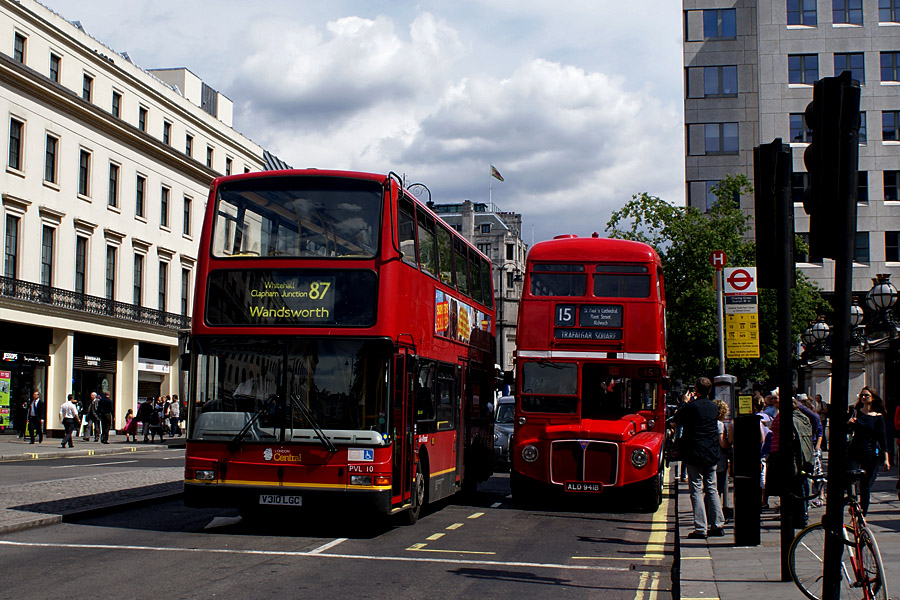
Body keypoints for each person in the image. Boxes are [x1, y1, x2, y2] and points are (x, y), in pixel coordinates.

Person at [673, 377, 725, 539]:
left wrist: (685, 402)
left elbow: (678, 418)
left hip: (695, 453)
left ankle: (701, 528)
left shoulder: (691, 406)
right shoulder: (713, 407)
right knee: (711, 488)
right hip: (711, 453)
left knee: (695, 489)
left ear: (696, 389)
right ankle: (718, 525)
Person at [848, 386, 890, 515]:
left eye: (866, 395)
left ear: (872, 398)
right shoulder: (855, 412)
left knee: (865, 486)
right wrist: (849, 423)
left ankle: (863, 514)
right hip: (854, 450)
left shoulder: (878, 417)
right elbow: (846, 430)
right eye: (862, 395)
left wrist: (886, 459)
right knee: (850, 476)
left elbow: (882, 438)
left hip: (870, 452)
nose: (863, 397)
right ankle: (853, 504)